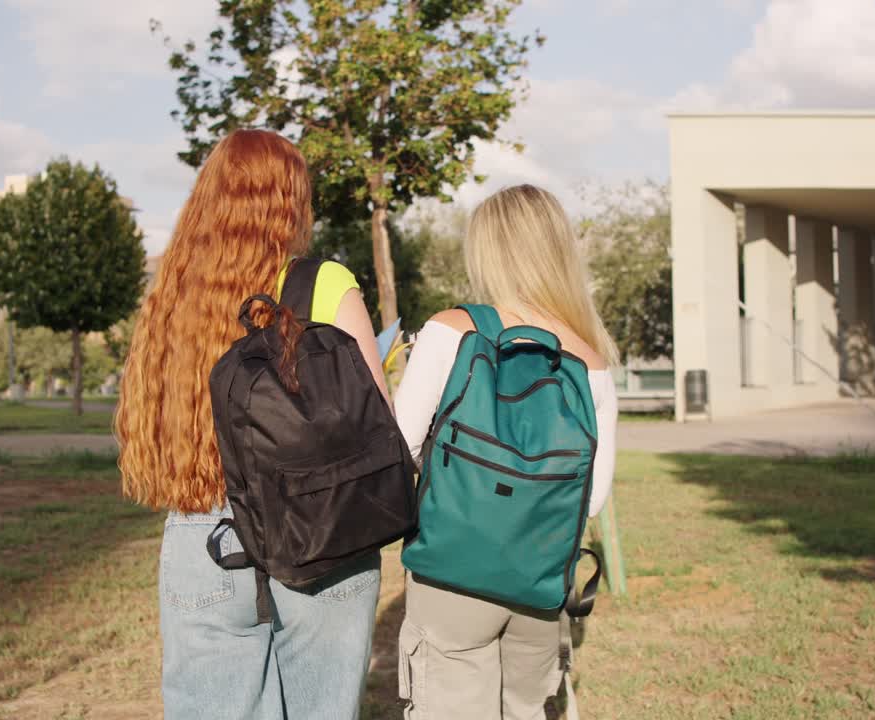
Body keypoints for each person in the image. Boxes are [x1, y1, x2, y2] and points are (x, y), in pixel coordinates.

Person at [114, 129, 390, 720]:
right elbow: (377, 424)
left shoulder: (173, 293)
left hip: (204, 533)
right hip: (321, 528)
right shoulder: (325, 284)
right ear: (292, 201)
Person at [392, 184, 620, 719]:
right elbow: (590, 499)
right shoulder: (591, 361)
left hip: (451, 571)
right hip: (539, 581)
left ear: (487, 251)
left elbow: (398, 445)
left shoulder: (451, 330)